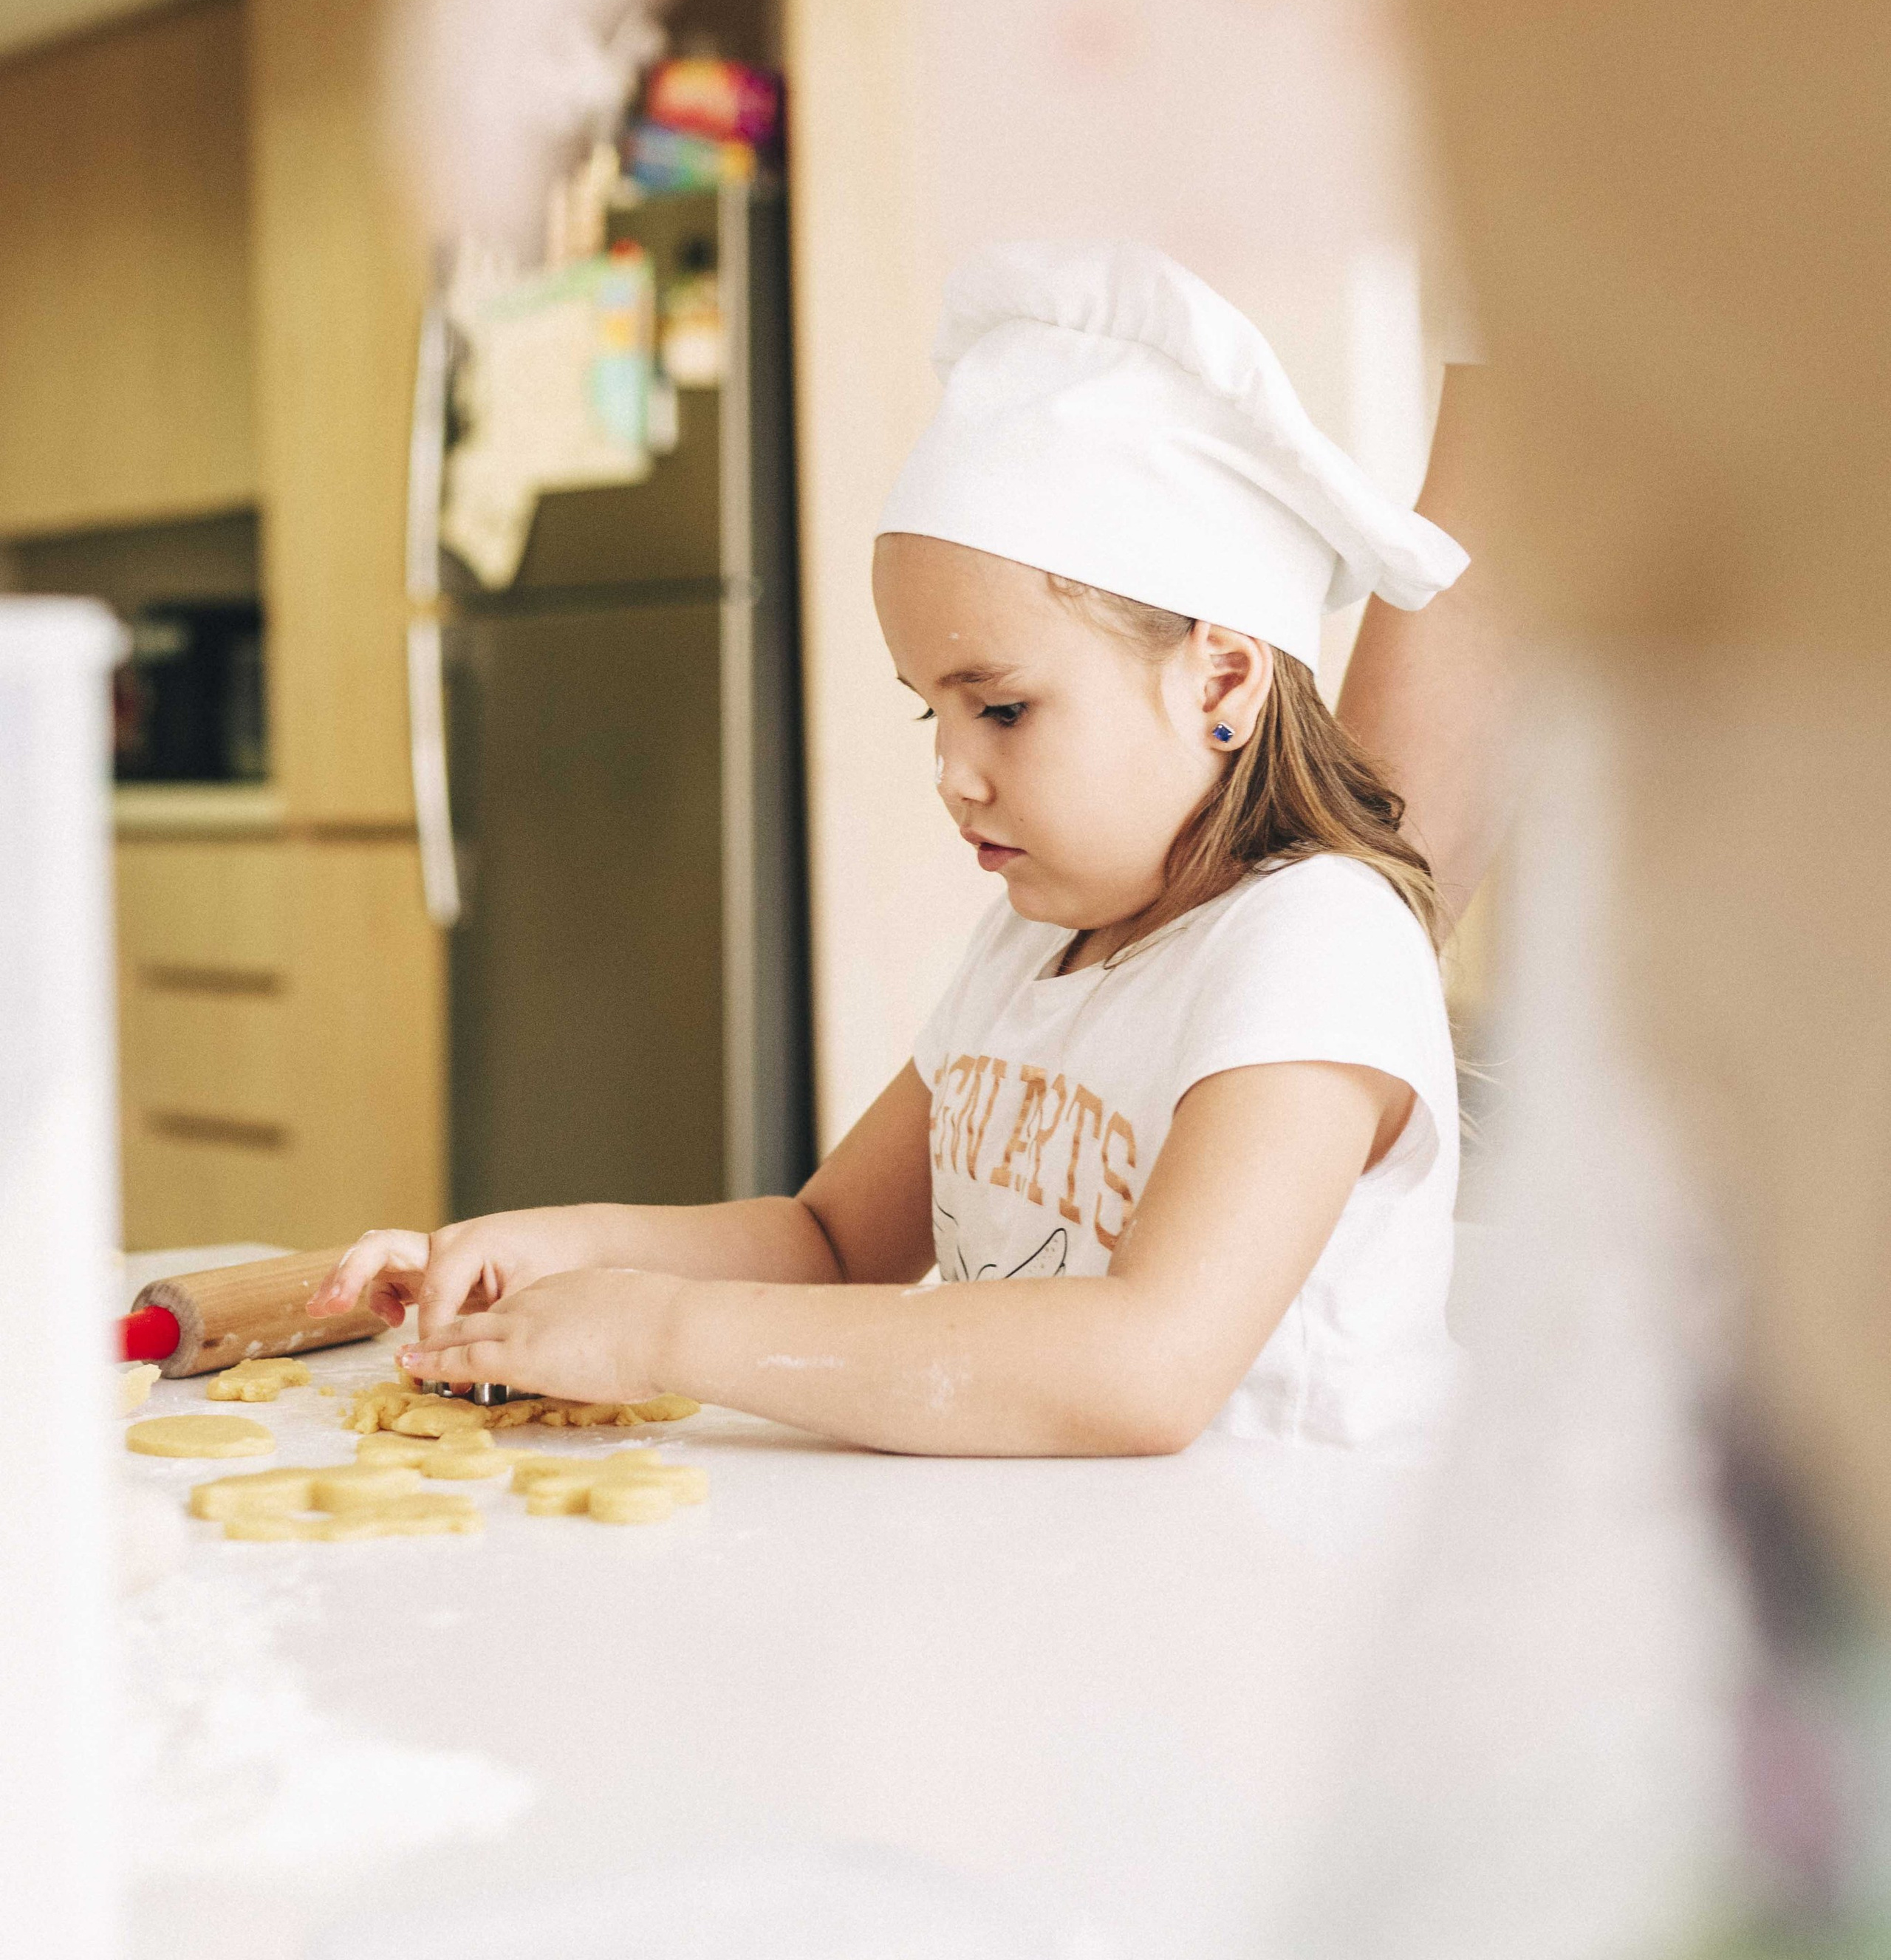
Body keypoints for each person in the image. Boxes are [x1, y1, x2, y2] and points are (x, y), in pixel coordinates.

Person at [314, 243, 1470, 1454]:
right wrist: (551, 1253)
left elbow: (1147, 1369)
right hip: (1064, 1591)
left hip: (1277, 1608)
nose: (951, 773)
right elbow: (831, 1243)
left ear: (1221, 677)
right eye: (935, 710)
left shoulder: (1317, 944)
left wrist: (664, 1335)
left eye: (1004, 708)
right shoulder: (1033, 943)